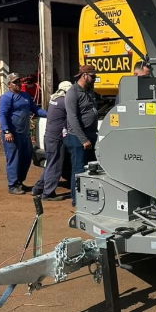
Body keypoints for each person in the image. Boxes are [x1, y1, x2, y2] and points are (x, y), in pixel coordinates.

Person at [0, 73, 47, 195]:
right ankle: (12, 185)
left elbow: (35, 109)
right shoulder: (6, 98)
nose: (18, 84)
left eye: (19, 81)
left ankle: (19, 182)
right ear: (9, 85)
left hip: (24, 133)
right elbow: (2, 116)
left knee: (26, 158)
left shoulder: (25, 96)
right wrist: (6, 131)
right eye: (15, 82)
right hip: (12, 134)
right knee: (14, 158)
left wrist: (50, 114)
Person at [32, 81, 73, 201]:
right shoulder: (64, 101)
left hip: (49, 136)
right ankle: (48, 193)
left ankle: (38, 188)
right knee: (55, 166)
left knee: (50, 164)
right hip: (57, 138)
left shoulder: (54, 99)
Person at [65, 64, 99, 207]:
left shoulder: (89, 90)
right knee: (79, 170)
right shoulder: (72, 93)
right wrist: (83, 139)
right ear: (84, 76)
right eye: (93, 77)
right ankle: (77, 201)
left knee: (92, 169)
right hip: (78, 138)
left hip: (91, 135)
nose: (95, 79)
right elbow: (72, 119)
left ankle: (89, 200)